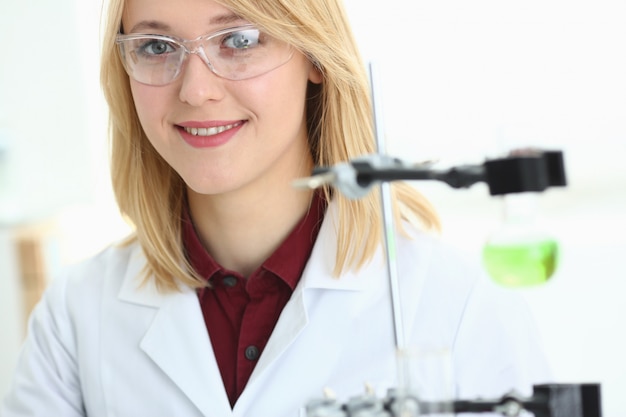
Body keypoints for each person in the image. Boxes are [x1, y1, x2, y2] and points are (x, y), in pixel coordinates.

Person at [1, 0, 551, 415]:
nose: (195, 90)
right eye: (156, 47)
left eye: (239, 39)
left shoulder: (456, 305)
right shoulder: (77, 317)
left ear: (313, 54)